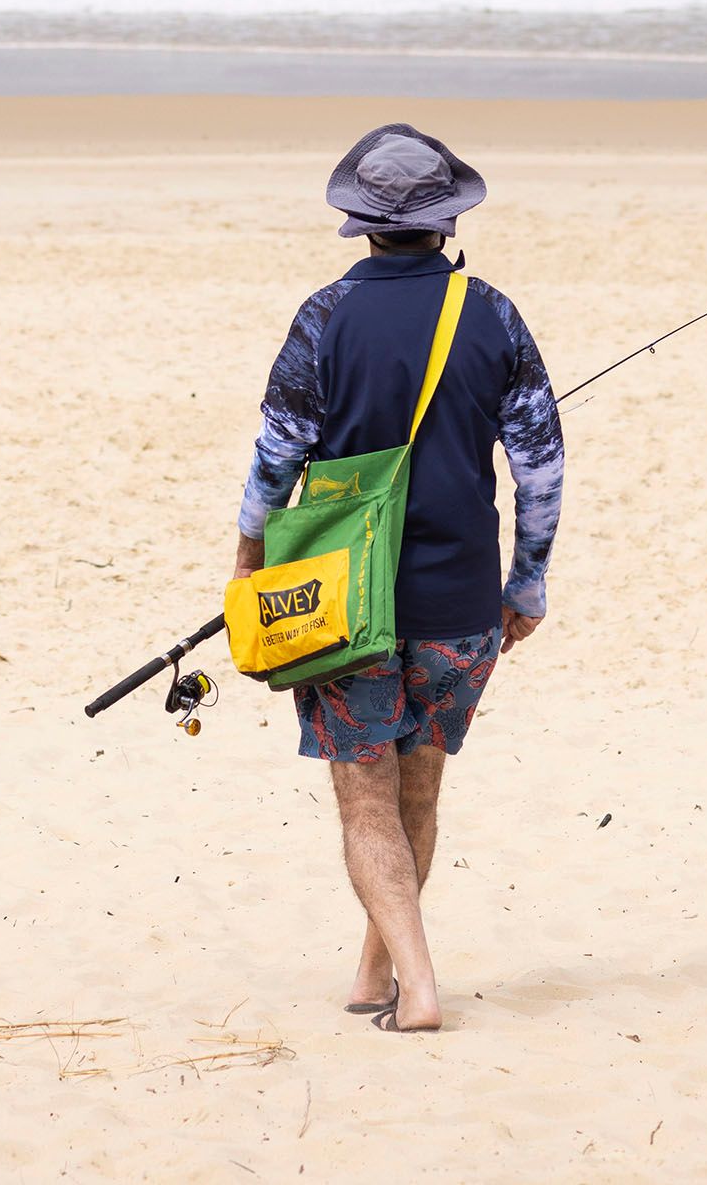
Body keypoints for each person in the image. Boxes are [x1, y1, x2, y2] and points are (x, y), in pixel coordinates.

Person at [234, 123, 563, 1033]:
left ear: (358, 221)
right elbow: (541, 469)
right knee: (417, 787)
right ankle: (374, 973)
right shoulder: (491, 313)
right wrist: (526, 586)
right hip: (461, 595)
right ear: (449, 218)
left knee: (362, 790)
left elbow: (272, 464)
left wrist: (247, 564)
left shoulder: (325, 318)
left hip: (343, 597)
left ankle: (415, 986)